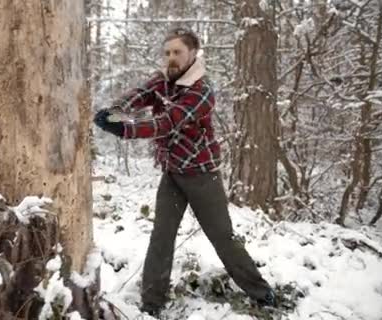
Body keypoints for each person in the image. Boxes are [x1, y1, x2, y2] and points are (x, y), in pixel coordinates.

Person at [93, 28, 275, 316]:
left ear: (193, 54)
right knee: (161, 236)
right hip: (173, 174)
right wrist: (115, 112)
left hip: (202, 176)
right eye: (167, 52)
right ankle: (151, 305)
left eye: (177, 52)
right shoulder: (163, 80)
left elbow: (169, 121)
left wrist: (126, 129)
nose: (171, 58)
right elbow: (140, 94)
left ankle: (262, 293)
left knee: (222, 238)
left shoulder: (202, 91)